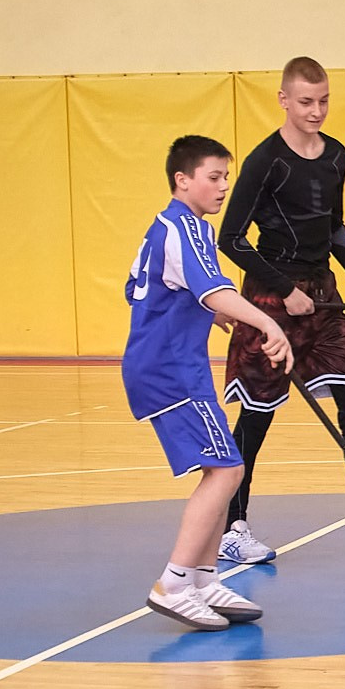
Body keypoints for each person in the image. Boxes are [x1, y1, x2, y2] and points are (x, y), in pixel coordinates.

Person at [214, 55, 345, 564]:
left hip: (324, 296)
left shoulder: (336, 155)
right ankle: (231, 527)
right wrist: (284, 288)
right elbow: (231, 238)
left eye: (324, 101)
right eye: (307, 102)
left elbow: (335, 229)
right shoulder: (266, 160)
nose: (317, 111)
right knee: (258, 413)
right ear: (284, 100)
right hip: (271, 297)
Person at [122, 135, 293, 631]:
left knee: (226, 467)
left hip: (171, 364)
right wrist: (268, 323)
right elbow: (214, 289)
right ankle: (174, 582)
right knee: (225, 472)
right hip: (170, 369)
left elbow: (148, 288)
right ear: (183, 179)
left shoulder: (164, 229)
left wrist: (207, 314)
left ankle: (202, 577)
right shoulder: (189, 229)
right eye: (214, 177)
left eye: (226, 178)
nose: (222, 188)